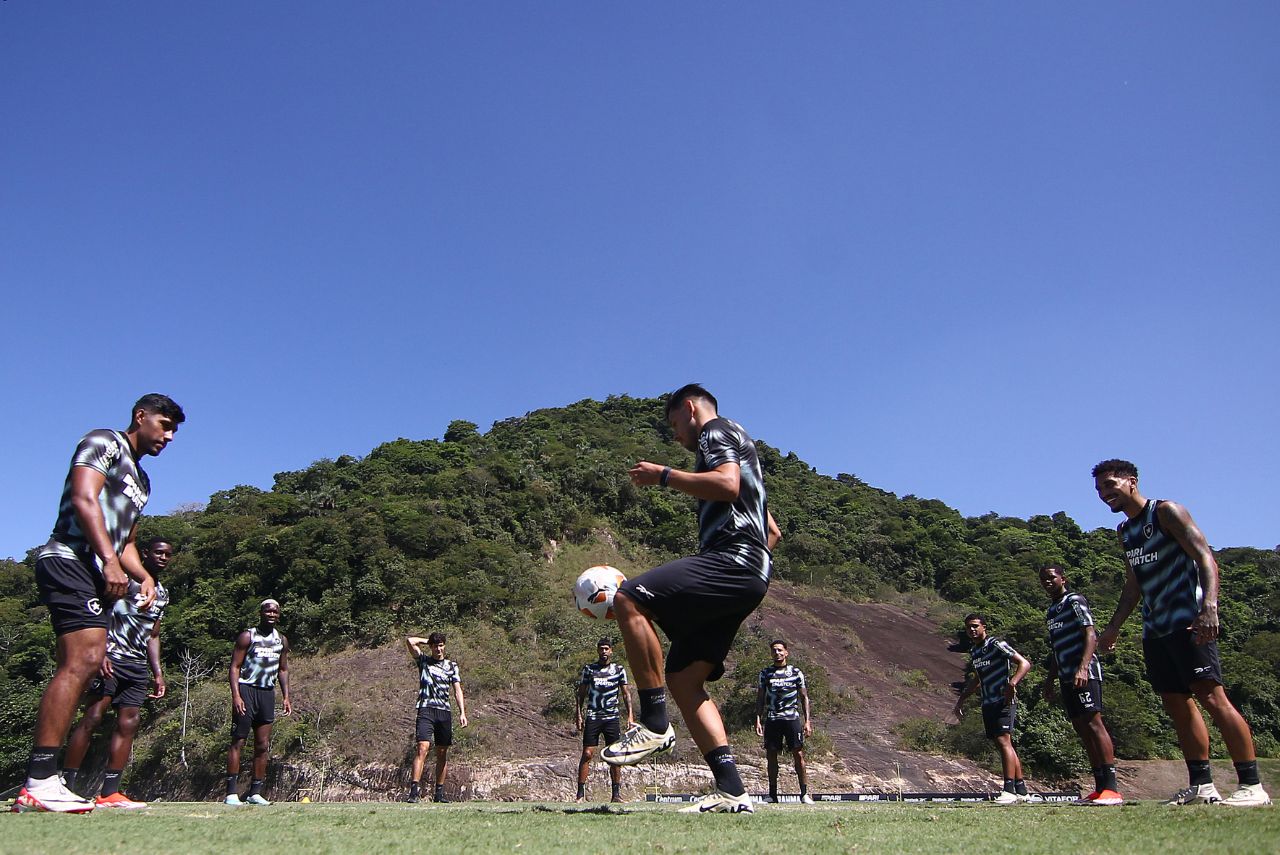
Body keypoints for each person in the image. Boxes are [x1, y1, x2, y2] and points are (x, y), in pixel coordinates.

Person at [603, 383, 782, 814]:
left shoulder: (714, 432)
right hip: (750, 575)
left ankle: (653, 722)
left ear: (689, 410)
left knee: (628, 598)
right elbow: (772, 532)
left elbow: (724, 484)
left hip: (732, 562)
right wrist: (747, 577)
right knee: (684, 677)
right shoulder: (745, 450)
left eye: (674, 425)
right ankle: (732, 790)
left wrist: (662, 475)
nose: (677, 436)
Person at [14, 394, 184, 814]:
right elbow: (83, 498)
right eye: (163, 424)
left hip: (98, 573)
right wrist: (108, 561)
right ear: (140, 417)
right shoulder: (104, 441)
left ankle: (52, 781)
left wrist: (142, 576)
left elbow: (127, 541)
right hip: (69, 557)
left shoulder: (143, 482)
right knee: (84, 660)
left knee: (84, 663)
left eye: (174, 431)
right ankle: (39, 780)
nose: (168, 436)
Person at [1093, 459, 1270, 807]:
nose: (1105, 494)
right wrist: (1113, 628)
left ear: (1131, 482)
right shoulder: (1125, 531)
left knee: (1211, 697)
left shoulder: (1167, 512)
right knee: (1176, 702)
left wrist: (1210, 607)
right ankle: (1202, 786)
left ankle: (1252, 784)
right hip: (1155, 628)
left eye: (1110, 484)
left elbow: (1205, 556)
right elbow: (1133, 586)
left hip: (1189, 621)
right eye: (1099, 489)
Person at [61, 538, 174, 809]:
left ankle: (110, 792)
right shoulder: (122, 581)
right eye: (158, 552)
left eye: (168, 555)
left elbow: (153, 634)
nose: (163, 558)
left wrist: (157, 672)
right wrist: (98, 652)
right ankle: (66, 784)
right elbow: (98, 614)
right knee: (93, 717)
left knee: (128, 724)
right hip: (110, 658)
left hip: (136, 665)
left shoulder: (163, 593)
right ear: (144, 554)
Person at [1038, 565, 1122, 806]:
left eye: (1051, 578)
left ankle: (1112, 788)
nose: (1047, 582)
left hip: (1084, 673)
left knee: (1094, 723)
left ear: (1063, 578)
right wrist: (1050, 680)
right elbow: (1056, 649)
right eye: (1043, 579)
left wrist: (1083, 667)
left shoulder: (1074, 600)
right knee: (1081, 727)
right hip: (1065, 676)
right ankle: (1099, 788)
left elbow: (1090, 634)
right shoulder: (1052, 611)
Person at [953, 613, 1032, 805]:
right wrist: (961, 700)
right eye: (968, 628)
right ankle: (1021, 790)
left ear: (984, 627)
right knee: (1003, 744)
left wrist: (1012, 684)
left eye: (975, 626)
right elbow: (978, 679)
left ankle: (1009, 789)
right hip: (988, 702)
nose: (971, 630)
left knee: (1003, 741)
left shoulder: (996, 644)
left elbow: (1024, 663)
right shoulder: (975, 651)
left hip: (1003, 700)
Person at [225, 599, 291, 806]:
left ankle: (255, 792)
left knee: (262, 745)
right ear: (261, 613)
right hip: (247, 690)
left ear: (279, 615)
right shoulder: (248, 636)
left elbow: (283, 669)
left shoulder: (281, 640)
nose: (271, 614)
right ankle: (231, 794)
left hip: (267, 693)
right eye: (268, 611)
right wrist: (236, 695)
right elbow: (235, 667)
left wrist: (286, 696)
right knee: (239, 741)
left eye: (275, 612)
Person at [405, 631, 468, 803]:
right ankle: (413, 792)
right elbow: (410, 641)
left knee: (442, 752)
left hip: (444, 712)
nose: (438, 649)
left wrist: (462, 712)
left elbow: (457, 690)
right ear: (431, 647)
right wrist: (428, 640)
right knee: (422, 748)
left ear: (444, 646)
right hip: (426, 709)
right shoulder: (424, 661)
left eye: (441, 645)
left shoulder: (451, 666)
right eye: (435, 646)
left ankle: (439, 794)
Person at [575, 638, 634, 803]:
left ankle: (616, 795)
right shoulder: (589, 669)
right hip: (593, 716)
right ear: (597, 650)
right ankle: (580, 794)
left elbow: (626, 693)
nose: (604, 652)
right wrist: (578, 714)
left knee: (614, 756)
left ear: (611, 651)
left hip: (612, 718)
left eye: (606, 649)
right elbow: (581, 693)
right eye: (601, 649)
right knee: (587, 754)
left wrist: (630, 716)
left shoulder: (618, 669)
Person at [755, 639, 813, 804]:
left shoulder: (796, 672)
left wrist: (807, 721)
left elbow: (804, 697)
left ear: (786, 652)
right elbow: (760, 698)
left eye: (780, 650)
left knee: (798, 754)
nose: (777, 653)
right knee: (771, 756)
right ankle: (772, 795)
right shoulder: (765, 673)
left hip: (792, 718)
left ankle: (804, 794)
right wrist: (758, 719)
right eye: (774, 650)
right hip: (773, 719)